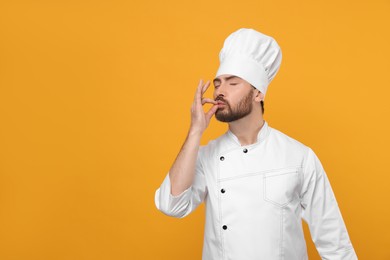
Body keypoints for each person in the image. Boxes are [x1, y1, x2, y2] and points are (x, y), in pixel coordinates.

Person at [154, 28, 357, 260]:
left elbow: (334, 242)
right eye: (217, 83)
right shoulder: (205, 156)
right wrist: (195, 131)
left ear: (258, 93)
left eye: (232, 83)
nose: (219, 91)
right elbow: (171, 206)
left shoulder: (299, 157)